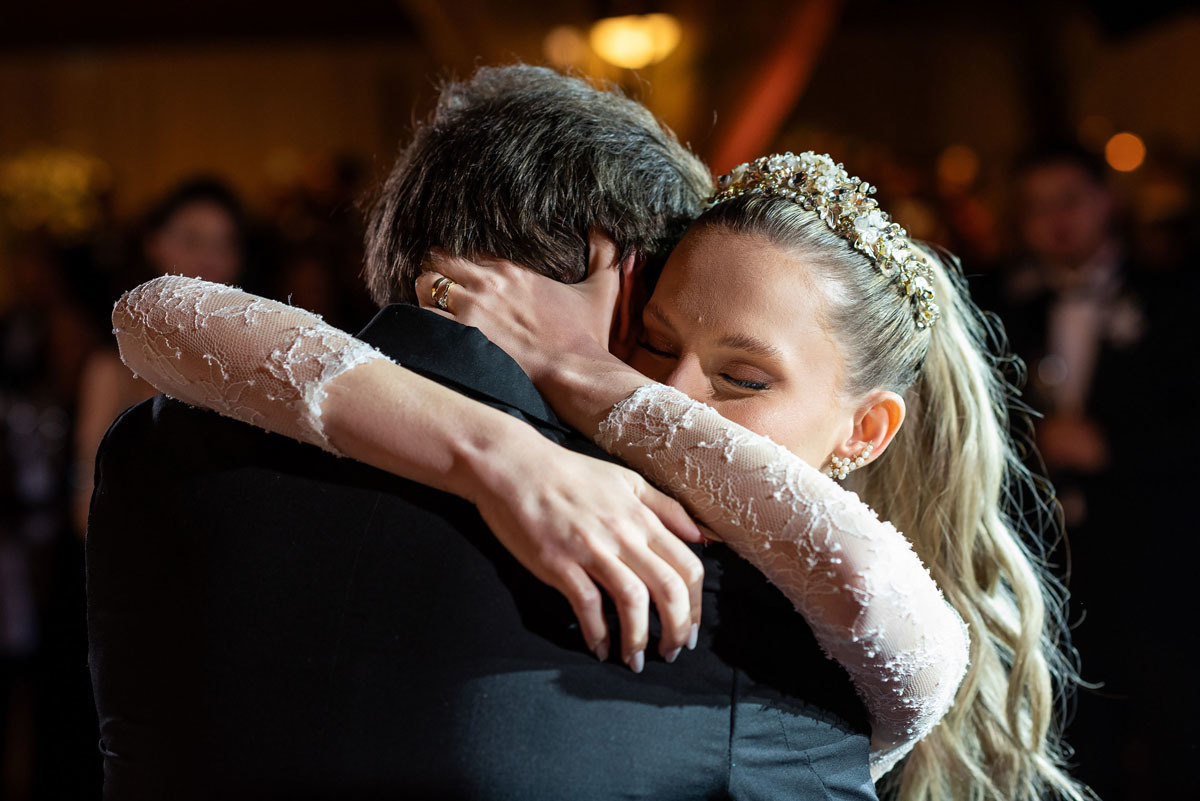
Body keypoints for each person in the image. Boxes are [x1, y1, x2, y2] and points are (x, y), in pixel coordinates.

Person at [108, 147, 1088, 800]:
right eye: (652, 346)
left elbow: (877, 594)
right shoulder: (577, 511)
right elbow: (154, 313)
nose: (676, 397)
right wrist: (509, 453)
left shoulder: (782, 619)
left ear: (866, 431)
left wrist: (577, 369)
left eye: (743, 378)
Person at [72, 177, 246, 537]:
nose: (211, 260)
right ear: (154, 245)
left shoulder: (250, 361)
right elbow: (84, 503)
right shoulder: (113, 368)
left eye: (224, 245)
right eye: (192, 241)